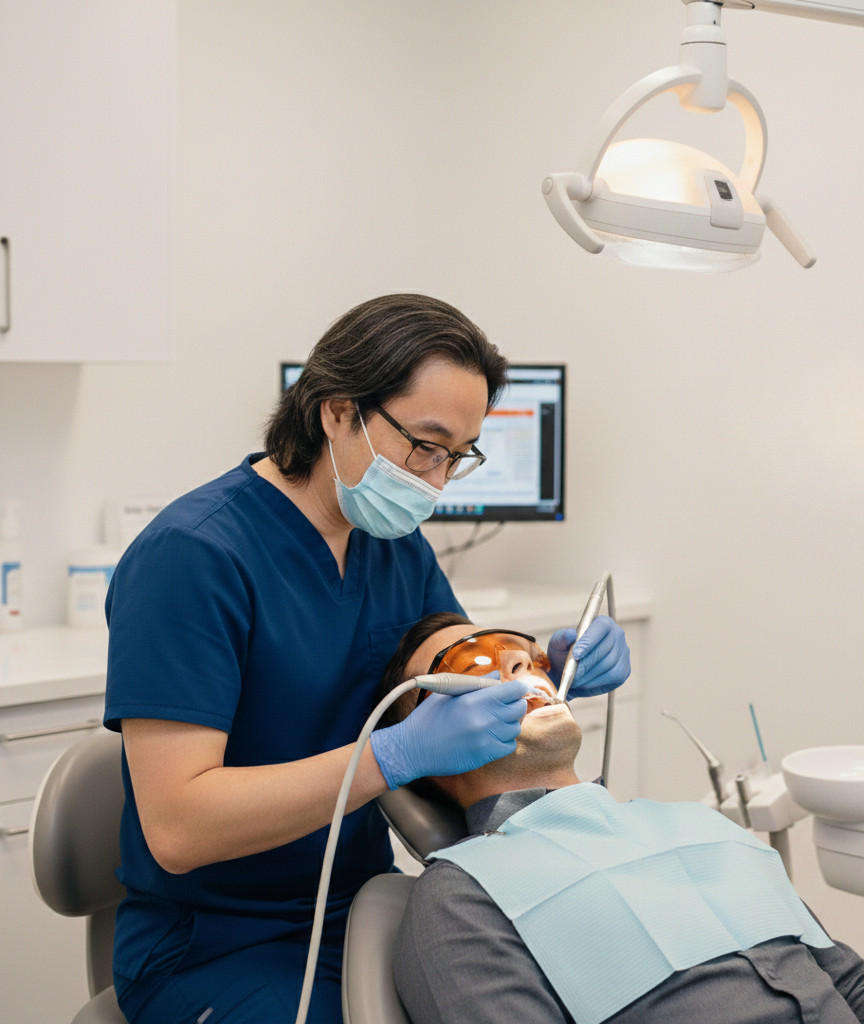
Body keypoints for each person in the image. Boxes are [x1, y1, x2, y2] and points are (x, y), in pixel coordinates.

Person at [101, 294, 631, 1024]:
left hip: (366, 906)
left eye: (457, 456)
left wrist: (539, 665)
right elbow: (180, 828)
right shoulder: (193, 557)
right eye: (424, 444)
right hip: (220, 945)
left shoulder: (391, 544)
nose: (437, 482)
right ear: (338, 411)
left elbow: (446, 656)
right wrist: (393, 755)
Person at [378, 613, 864, 1024]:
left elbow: (852, 985)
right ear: (429, 744)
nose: (518, 667)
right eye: (473, 665)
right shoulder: (462, 899)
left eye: (523, 655)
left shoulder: (703, 828)